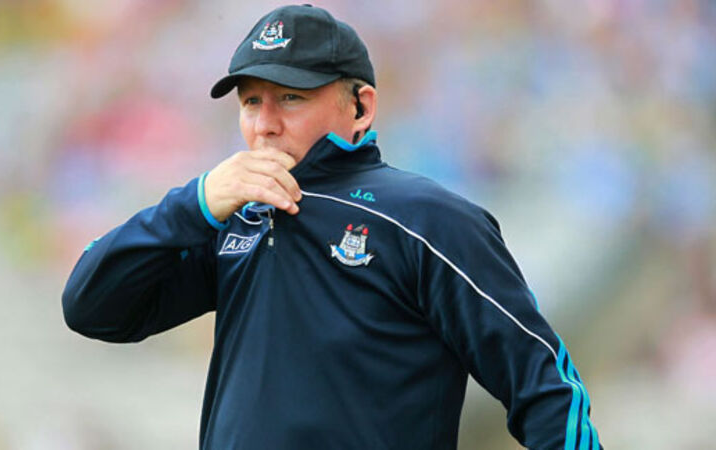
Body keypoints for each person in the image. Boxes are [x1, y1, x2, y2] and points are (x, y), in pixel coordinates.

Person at [62, 4, 603, 449]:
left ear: (360, 106)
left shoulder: (428, 219)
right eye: (251, 102)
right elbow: (91, 307)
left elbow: (543, 384)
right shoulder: (234, 217)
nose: (265, 125)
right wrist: (193, 203)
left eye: (290, 98)